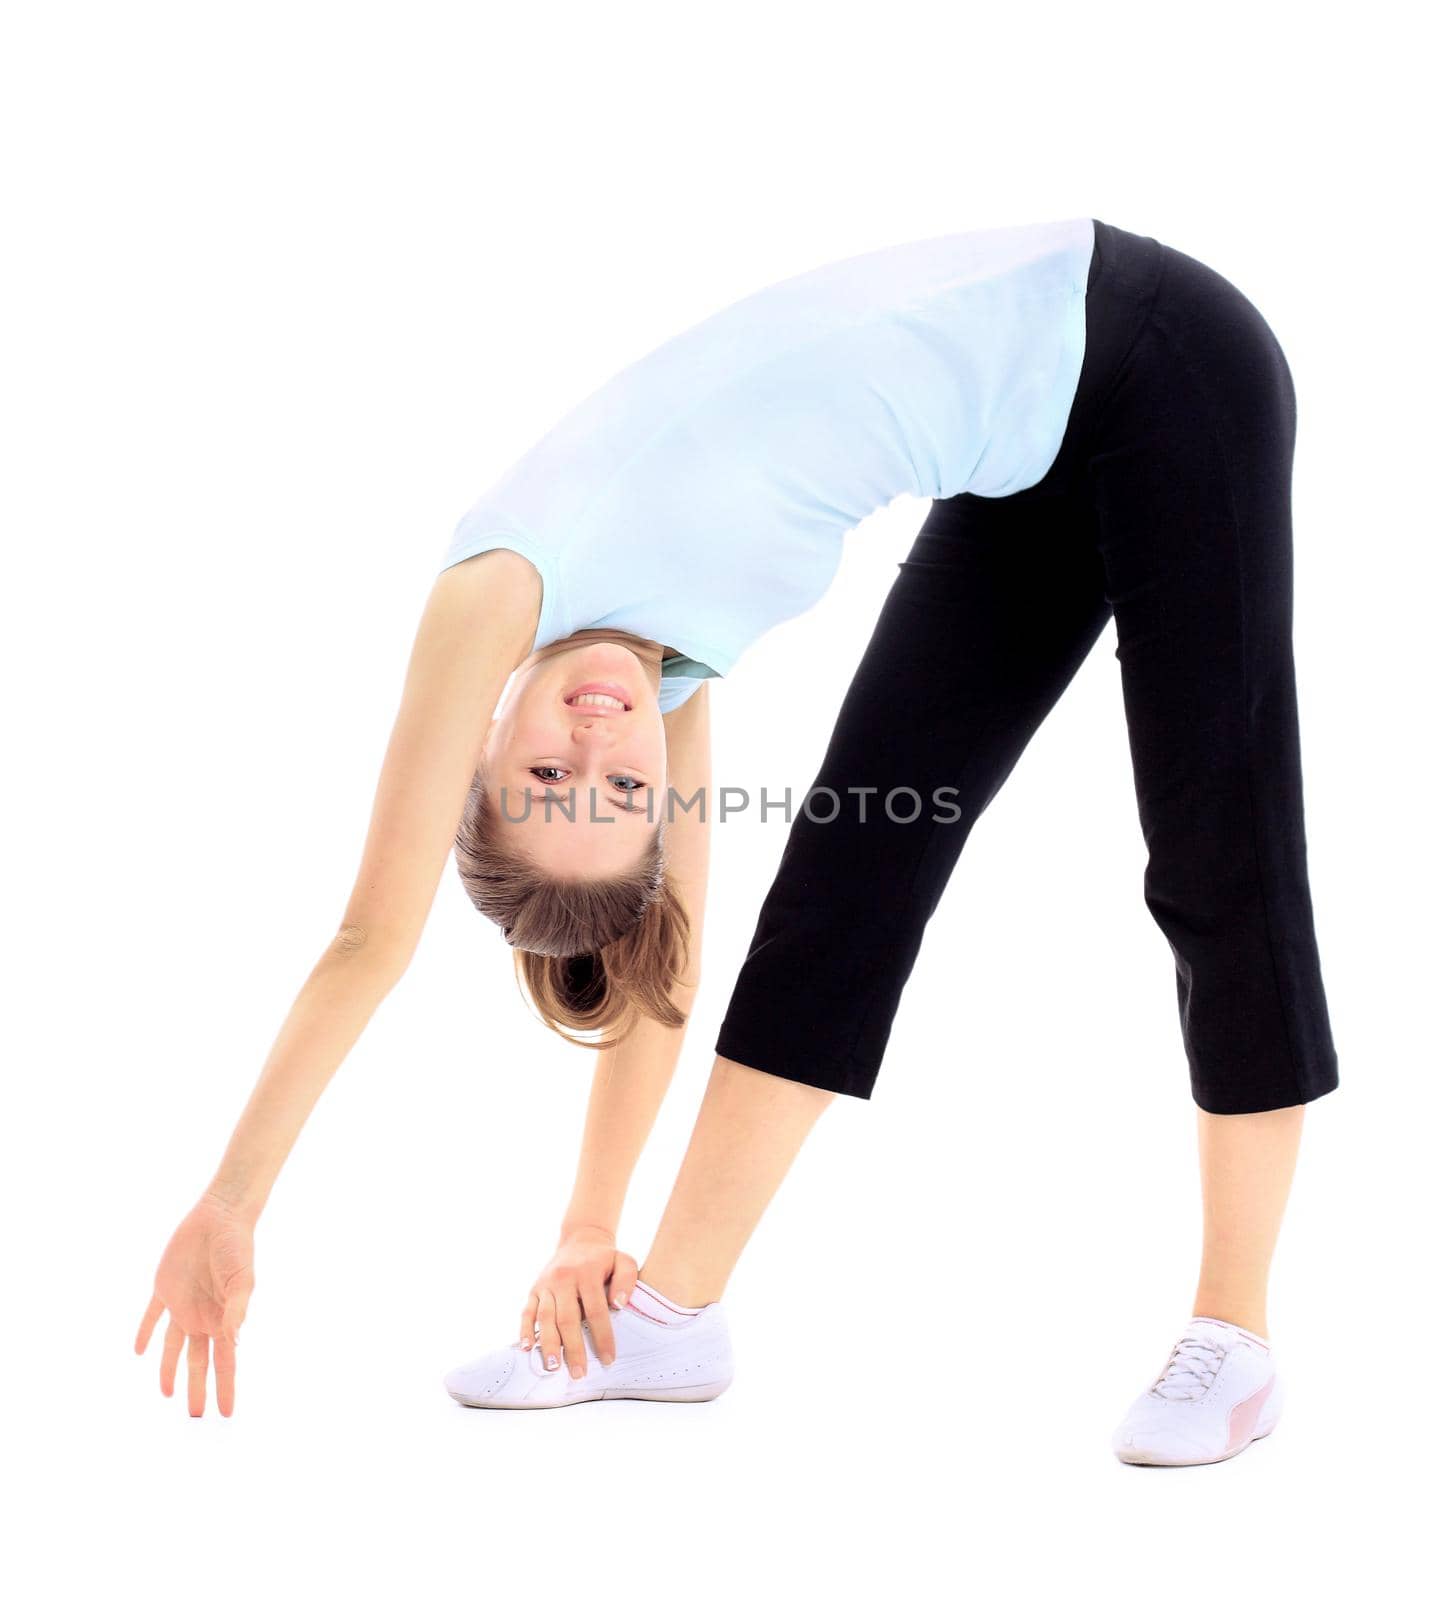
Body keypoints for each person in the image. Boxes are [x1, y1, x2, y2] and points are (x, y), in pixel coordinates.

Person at [136, 217, 1339, 1466]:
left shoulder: (495, 594)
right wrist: (587, 1227)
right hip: (1028, 452)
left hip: (1160, 349)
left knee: (1217, 843)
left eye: (549, 776)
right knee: (845, 879)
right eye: (616, 800)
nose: (598, 745)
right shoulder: (656, 668)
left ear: (479, 764)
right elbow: (671, 963)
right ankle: (668, 1317)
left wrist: (233, 1202)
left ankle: (1233, 1334)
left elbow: (371, 937)